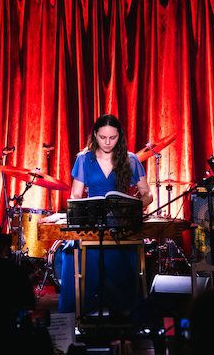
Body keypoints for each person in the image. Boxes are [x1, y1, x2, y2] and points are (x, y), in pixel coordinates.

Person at [58, 114, 153, 318]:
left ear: (120, 136)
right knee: (70, 253)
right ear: (95, 135)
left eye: (113, 137)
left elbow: (147, 194)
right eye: (103, 137)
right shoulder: (84, 158)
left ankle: (127, 314)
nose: (108, 142)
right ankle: (79, 314)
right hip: (93, 224)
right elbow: (76, 194)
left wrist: (136, 206)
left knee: (122, 255)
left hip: (121, 226)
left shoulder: (131, 159)